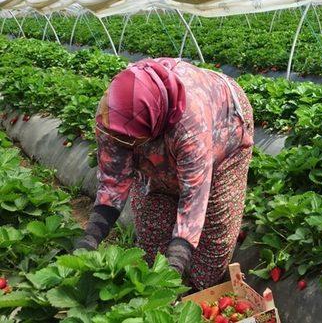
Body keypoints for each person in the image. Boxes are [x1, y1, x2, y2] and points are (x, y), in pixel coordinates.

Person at [75, 58, 254, 290]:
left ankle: (196, 295)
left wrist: (175, 265)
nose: (125, 144)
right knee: (151, 234)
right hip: (154, 125)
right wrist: (90, 238)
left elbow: (194, 198)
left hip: (222, 128)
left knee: (211, 240)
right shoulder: (114, 115)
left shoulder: (192, 125)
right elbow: (112, 181)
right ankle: (158, 293)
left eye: (131, 141)